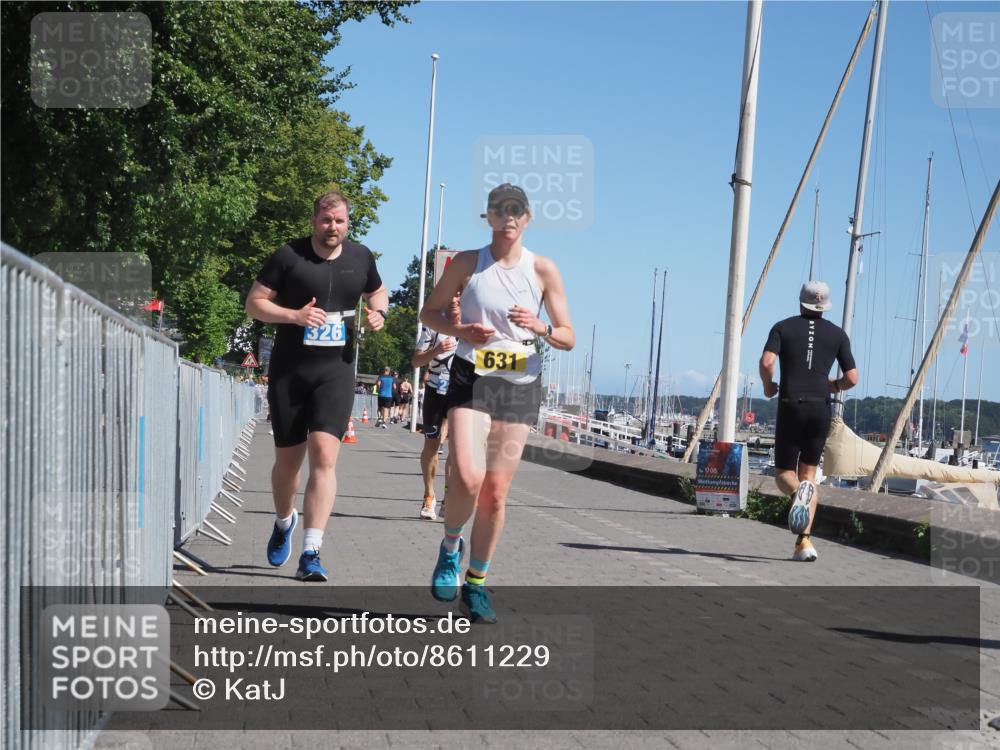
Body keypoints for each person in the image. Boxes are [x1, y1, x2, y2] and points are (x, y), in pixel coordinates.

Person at [420, 183, 575, 623]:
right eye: (500, 211)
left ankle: (477, 583)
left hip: (520, 384)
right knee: (467, 477)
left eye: (517, 211)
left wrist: (541, 328)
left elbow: (568, 336)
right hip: (472, 378)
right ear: (487, 217)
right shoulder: (467, 263)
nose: (509, 218)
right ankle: (451, 546)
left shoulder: (543, 269)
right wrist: (463, 332)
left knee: (495, 495)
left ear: (527, 219)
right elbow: (428, 313)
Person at [245, 190, 388, 581]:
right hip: (291, 370)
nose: (333, 228)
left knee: (325, 456)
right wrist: (293, 315)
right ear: (314, 221)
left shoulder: (361, 257)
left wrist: (380, 312)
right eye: (326, 220)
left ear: (347, 223)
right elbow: (254, 303)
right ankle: (283, 520)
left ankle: (311, 550)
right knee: (287, 465)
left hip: (336, 371)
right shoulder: (288, 256)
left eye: (340, 221)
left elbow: (378, 292)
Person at [759, 280, 858, 562]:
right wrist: (834, 386)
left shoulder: (783, 327)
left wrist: (768, 386)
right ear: (825, 305)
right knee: (809, 477)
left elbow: (767, 362)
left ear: (801, 301)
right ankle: (803, 543)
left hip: (792, 405)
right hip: (821, 407)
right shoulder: (838, 334)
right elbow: (852, 378)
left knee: (784, 475)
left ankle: (798, 497)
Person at [411, 293, 461, 520]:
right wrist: (436, 352)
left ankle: (449, 498)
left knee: (458, 448)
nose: (455, 300)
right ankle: (428, 495)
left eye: (460, 297)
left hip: (461, 390)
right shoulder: (432, 325)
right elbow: (416, 361)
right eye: (452, 296)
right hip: (434, 389)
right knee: (432, 444)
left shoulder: (473, 325)